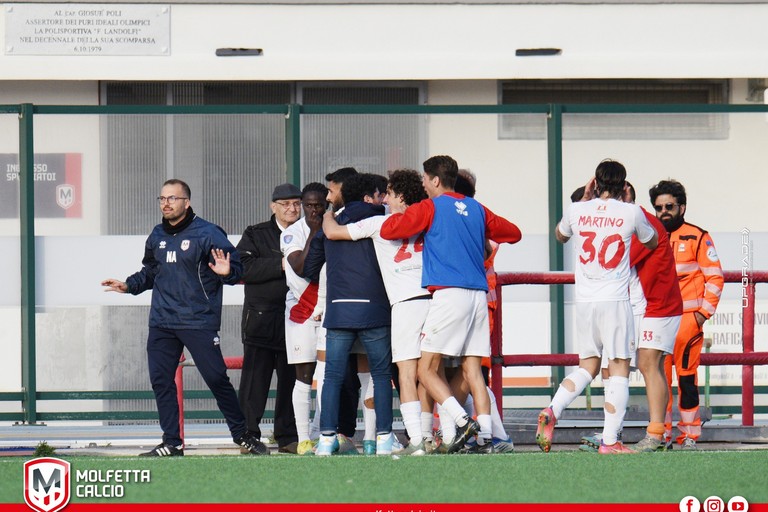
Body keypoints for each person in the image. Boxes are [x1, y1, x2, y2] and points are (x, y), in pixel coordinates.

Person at [101, 178, 265, 456]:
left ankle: (243, 435)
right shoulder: (156, 235)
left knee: (215, 378)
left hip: (198, 320)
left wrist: (229, 273)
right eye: (162, 198)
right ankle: (172, 442)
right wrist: (129, 286)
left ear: (186, 202)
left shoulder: (208, 233)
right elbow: (152, 272)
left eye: (172, 198)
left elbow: (236, 268)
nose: (166, 203)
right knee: (160, 380)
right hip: (162, 322)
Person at [380, 155, 522, 453]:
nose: (422, 183)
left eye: (424, 178)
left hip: (449, 294)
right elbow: (514, 233)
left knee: (425, 370)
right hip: (478, 297)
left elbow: (389, 231)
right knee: (473, 370)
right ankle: (486, 438)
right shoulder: (477, 208)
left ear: (433, 180)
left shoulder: (430, 207)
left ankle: (461, 420)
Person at [537, 160, 658, 454]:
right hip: (615, 300)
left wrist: (584, 199)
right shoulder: (631, 211)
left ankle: (553, 409)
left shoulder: (577, 209)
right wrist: (629, 206)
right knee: (619, 369)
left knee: (588, 366)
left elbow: (560, 235)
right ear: (624, 185)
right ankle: (610, 441)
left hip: (585, 301)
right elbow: (652, 241)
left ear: (595, 182)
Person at [323, 169, 430, 455]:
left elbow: (330, 234)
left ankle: (327, 438)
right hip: (433, 299)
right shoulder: (429, 218)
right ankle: (431, 433)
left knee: (395, 374)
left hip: (396, 305)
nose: (386, 198)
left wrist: (327, 213)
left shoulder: (379, 223)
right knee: (435, 373)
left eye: (391, 194)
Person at [303, 172, 397, 456]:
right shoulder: (386, 219)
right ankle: (382, 439)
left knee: (331, 376)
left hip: (340, 308)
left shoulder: (331, 222)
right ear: (372, 195)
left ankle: (327, 438)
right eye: (382, 194)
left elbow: (310, 269)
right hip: (374, 309)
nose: (384, 199)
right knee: (381, 376)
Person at [649, 179, 724, 450]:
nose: (664, 212)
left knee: (687, 380)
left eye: (669, 206)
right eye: (659, 208)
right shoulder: (650, 236)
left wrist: (702, 315)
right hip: (657, 320)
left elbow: (715, 278)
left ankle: (690, 435)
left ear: (682, 207)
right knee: (658, 380)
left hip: (687, 322)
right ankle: (661, 435)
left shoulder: (698, 236)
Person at [236, 183, 303, 455]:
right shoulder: (256, 233)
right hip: (261, 319)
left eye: (296, 203)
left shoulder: (308, 232)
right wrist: (282, 263)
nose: (292, 209)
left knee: (291, 380)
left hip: (296, 319)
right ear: (273, 206)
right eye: (285, 204)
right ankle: (248, 435)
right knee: (254, 382)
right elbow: (244, 267)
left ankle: (287, 437)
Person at [280, 182, 329, 455]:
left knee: (325, 376)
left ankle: (320, 432)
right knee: (303, 375)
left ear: (326, 205)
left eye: (318, 205)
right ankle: (303, 439)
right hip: (300, 310)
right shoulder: (292, 233)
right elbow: (300, 268)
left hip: (328, 309)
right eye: (308, 205)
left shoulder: (334, 227)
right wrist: (313, 232)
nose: (313, 210)